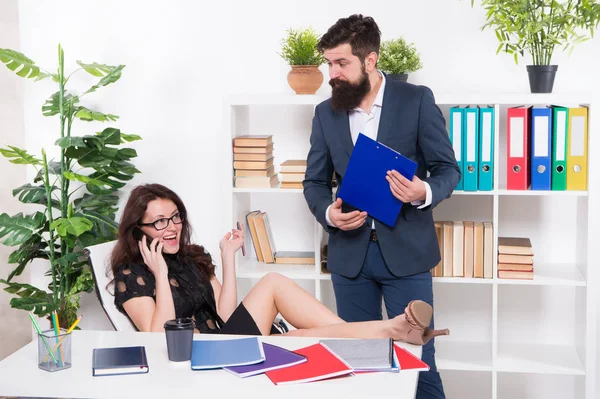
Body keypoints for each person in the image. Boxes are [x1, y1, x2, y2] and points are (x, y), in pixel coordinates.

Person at [302, 14, 460, 399]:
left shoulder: (417, 100)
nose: (332, 73)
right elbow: (314, 182)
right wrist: (329, 214)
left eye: (341, 63)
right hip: (350, 259)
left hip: (407, 256)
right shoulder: (326, 112)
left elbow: (448, 170)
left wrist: (421, 191)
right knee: (358, 363)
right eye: (329, 63)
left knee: (419, 360)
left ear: (370, 60)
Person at [110, 183, 449, 344]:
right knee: (275, 291)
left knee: (300, 331)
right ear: (137, 229)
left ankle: (383, 334)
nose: (171, 228)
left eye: (175, 217)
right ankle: (387, 332)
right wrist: (160, 272)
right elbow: (158, 341)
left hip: (224, 341)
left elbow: (226, 315)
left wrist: (228, 258)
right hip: (198, 356)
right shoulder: (132, 275)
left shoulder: (189, 257)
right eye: (159, 222)